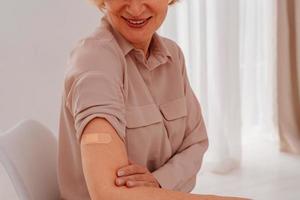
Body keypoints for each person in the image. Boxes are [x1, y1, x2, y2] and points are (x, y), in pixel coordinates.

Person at [57, 0, 247, 199]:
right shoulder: (94, 62)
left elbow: (196, 143)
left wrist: (158, 181)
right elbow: (109, 195)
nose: (136, 9)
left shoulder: (173, 56)